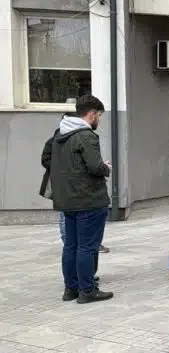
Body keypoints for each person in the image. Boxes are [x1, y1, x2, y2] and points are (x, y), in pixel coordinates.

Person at [49, 95, 113, 304]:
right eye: (99, 115)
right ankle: (87, 291)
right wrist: (106, 168)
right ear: (92, 114)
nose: (99, 120)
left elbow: (50, 161)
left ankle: (71, 289)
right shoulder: (86, 136)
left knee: (71, 246)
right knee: (87, 247)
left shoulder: (60, 134)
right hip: (88, 200)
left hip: (67, 200)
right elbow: (95, 167)